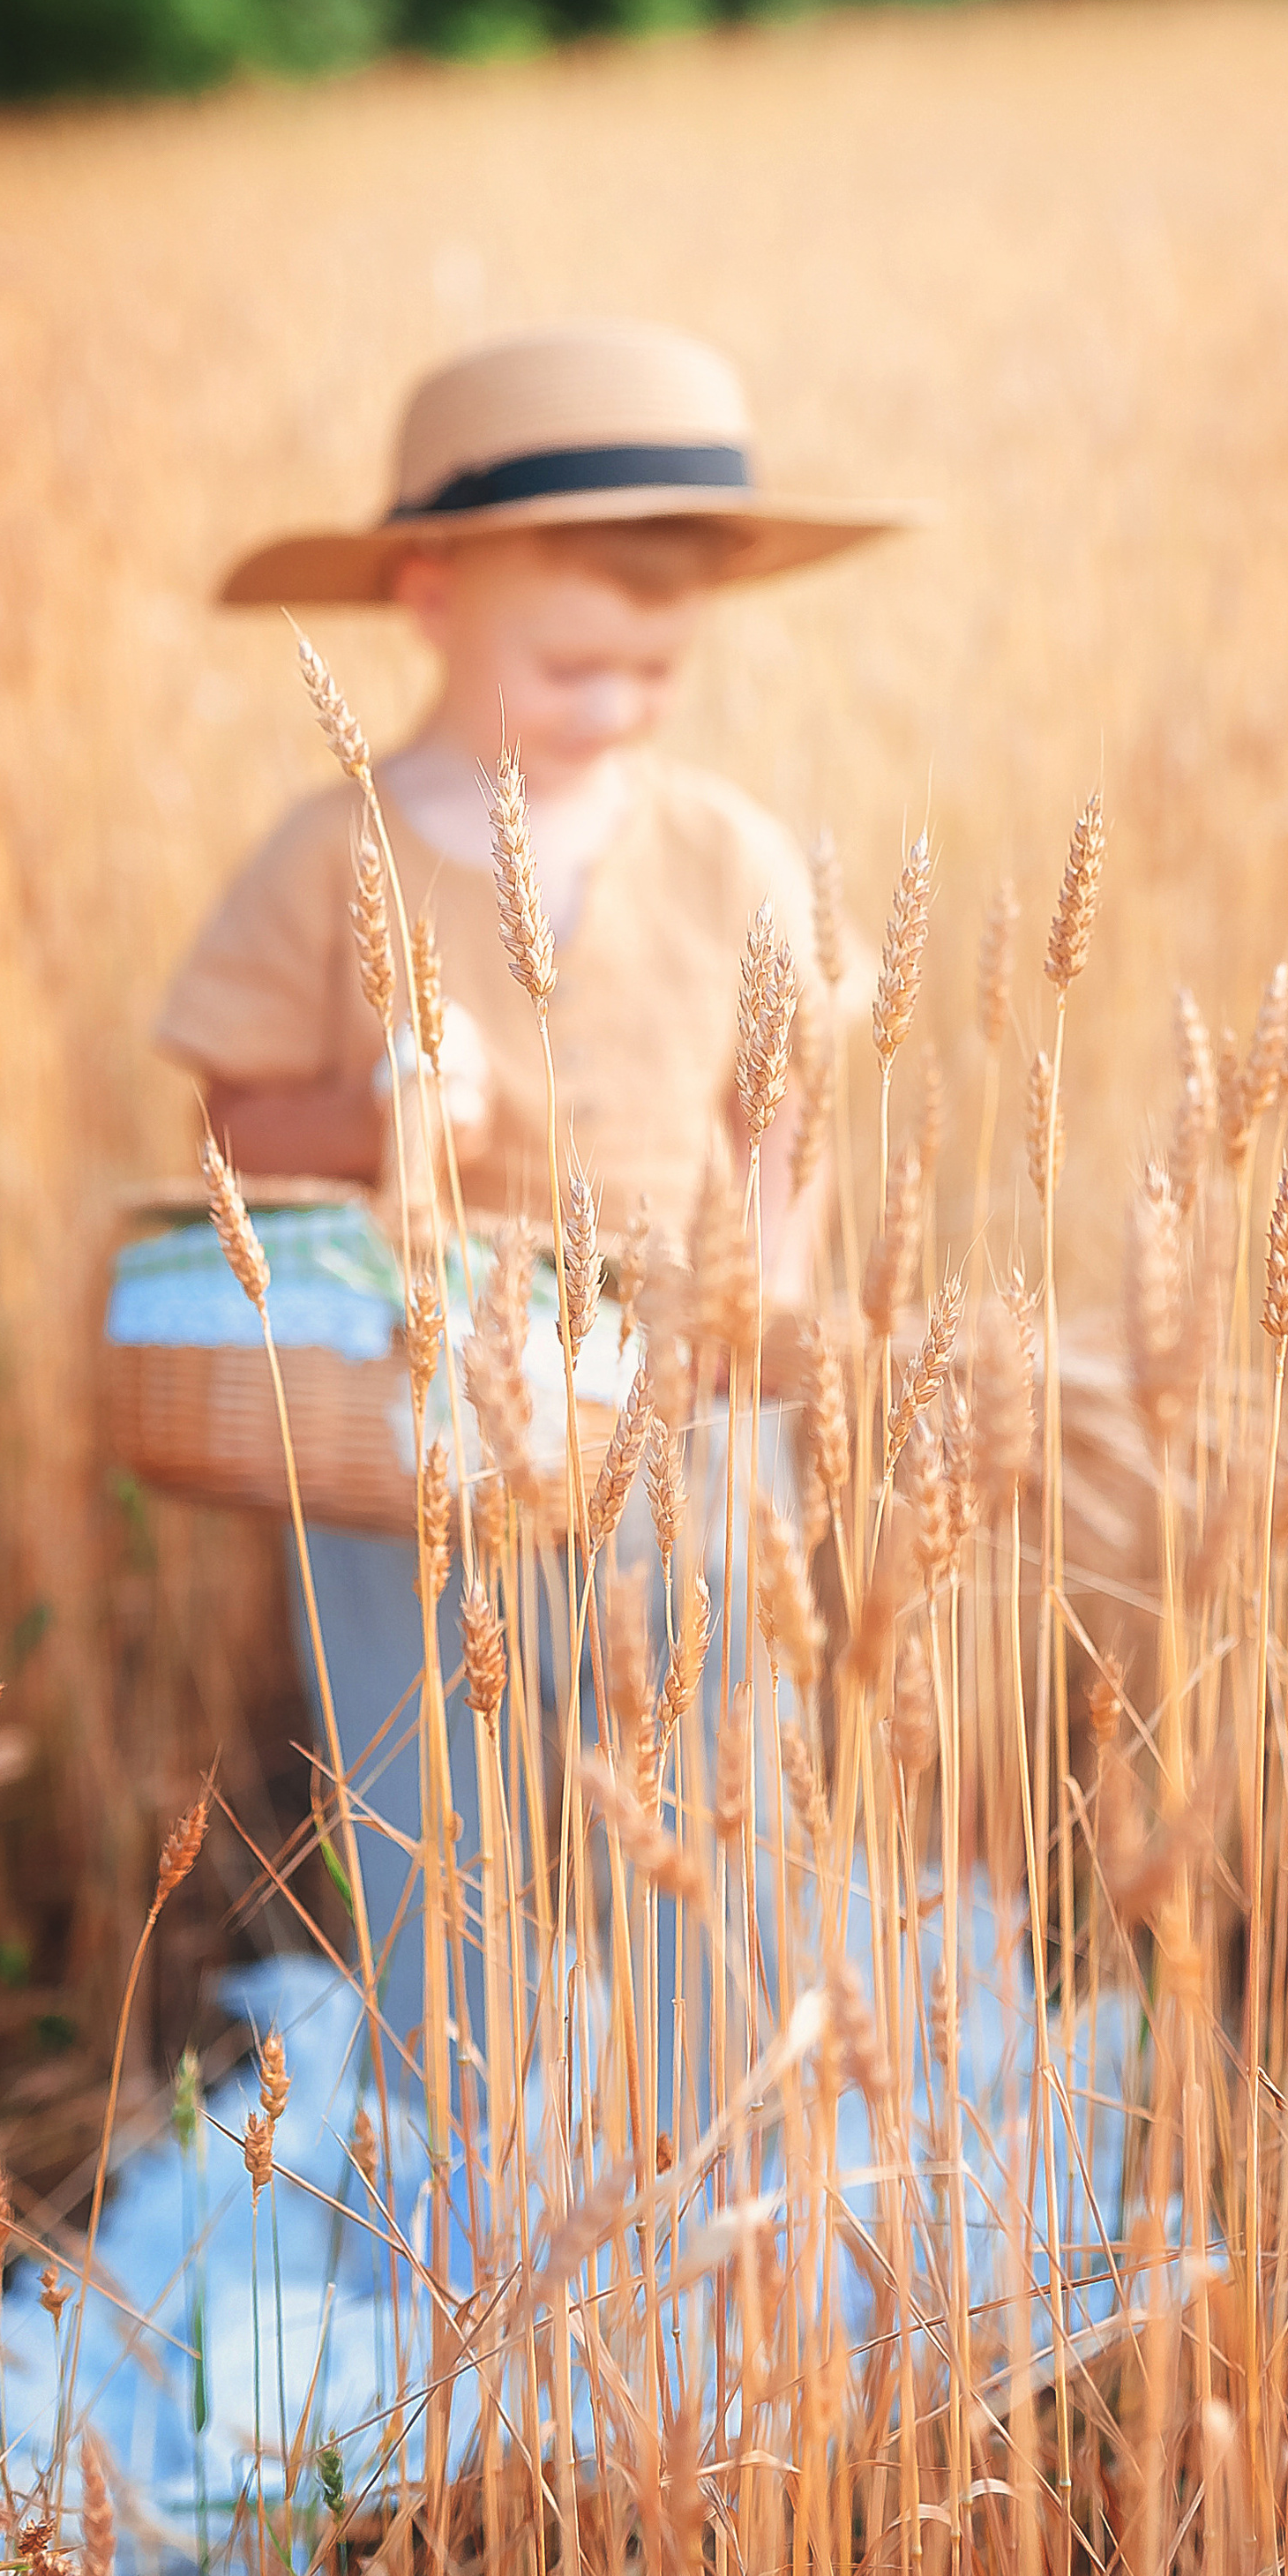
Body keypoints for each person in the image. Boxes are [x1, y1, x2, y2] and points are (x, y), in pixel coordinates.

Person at [152, 318, 913, 2066]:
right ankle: (464, 2114)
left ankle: (721, 2103)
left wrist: (759, 1288)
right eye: (574, 667)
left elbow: (773, 1106)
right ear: (426, 594)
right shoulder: (327, 853)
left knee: (719, 1744)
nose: (621, 709)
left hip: (680, 1393)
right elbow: (229, 1119)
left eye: (657, 674)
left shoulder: (727, 851)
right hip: (399, 1407)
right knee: (425, 1770)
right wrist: (370, 1113)